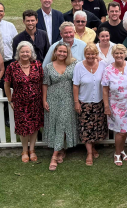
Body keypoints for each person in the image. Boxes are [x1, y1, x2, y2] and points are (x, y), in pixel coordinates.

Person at [4, 41, 44, 163]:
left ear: (31, 53)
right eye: (22, 52)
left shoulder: (37, 65)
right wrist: (10, 99)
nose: (25, 54)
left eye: (27, 51)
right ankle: (24, 150)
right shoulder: (12, 66)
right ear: (18, 53)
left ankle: (32, 150)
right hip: (20, 102)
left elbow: (43, 83)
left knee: (34, 125)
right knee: (23, 127)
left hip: (36, 102)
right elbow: (6, 84)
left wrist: (43, 99)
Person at [101, 44, 127, 166]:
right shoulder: (108, 70)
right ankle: (117, 153)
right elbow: (105, 90)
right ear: (113, 55)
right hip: (115, 105)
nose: (119, 55)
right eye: (116, 53)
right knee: (121, 131)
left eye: (121, 53)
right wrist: (106, 106)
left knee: (126, 128)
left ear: (125, 54)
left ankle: (121, 150)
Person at [42, 42, 79, 170]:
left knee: (64, 123)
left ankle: (54, 156)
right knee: (57, 124)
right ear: (55, 52)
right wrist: (44, 100)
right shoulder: (48, 67)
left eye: (65, 52)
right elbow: (45, 84)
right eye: (60, 51)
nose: (62, 54)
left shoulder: (74, 65)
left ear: (68, 53)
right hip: (53, 99)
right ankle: (62, 149)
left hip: (68, 98)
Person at [73, 44, 108, 166]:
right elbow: (75, 85)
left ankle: (92, 148)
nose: (90, 56)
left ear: (96, 54)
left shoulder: (103, 64)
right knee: (86, 128)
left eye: (93, 54)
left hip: (99, 101)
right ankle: (89, 153)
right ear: (85, 54)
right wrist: (76, 102)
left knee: (97, 127)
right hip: (84, 102)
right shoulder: (79, 66)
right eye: (88, 54)